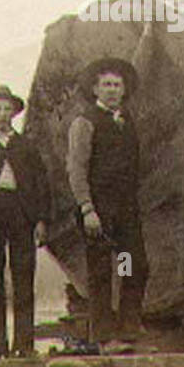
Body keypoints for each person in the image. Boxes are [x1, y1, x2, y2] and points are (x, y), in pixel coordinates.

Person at [67, 57, 149, 350]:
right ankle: (103, 336)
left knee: (132, 265)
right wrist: (87, 208)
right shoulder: (85, 123)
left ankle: (128, 329)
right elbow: (76, 168)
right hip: (98, 211)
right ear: (95, 89)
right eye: (106, 85)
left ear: (124, 90)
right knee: (101, 272)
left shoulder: (126, 122)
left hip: (125, 210)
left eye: (117, 85)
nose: (112, 90)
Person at [0, 85, 50, 358]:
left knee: (23, 277)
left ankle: (24, 344)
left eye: (6, 109)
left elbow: (41, 184)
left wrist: (40, 219)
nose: (2, 114)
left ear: (14, 112)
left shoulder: (26, 146)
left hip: (21, 213)